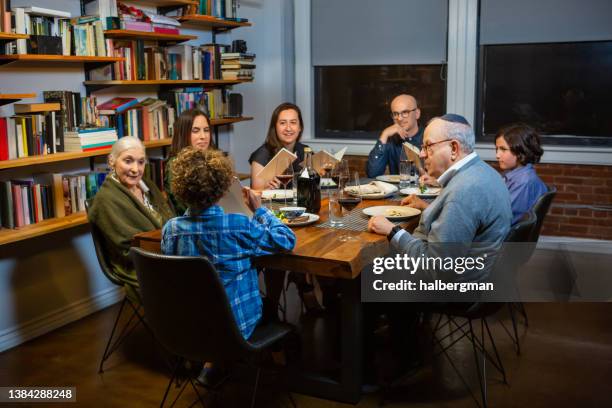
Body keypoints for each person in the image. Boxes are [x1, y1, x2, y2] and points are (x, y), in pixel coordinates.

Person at [161, 147, 296, 338]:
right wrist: (259, 210)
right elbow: (287, 240)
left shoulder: (171, 230)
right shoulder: (238, 226)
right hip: (236, 327)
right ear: (224, 188)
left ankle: (212, 360)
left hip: (189, 325)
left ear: (180, 189)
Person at [369, 114, 512, 280]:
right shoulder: (482, 171)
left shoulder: (463, 191)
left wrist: (393, 231)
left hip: (451, 293)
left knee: (365, 276)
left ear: (454, 148)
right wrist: (428, 207)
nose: (422, 154)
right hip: (476, 276)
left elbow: (437, 269)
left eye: (428, 146)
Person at [88, 136, 174, 297]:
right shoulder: (105, 200)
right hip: (142, 266)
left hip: (168, 253)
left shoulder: (147, 185)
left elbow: (171, 218)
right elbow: (129, 249)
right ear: (111, 161)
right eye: (128, 161)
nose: (136, 169)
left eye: (141, 162)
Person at [495, 123, 548, 225]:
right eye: (496, 149)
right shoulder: (515, 174)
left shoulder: (523, 182)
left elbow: (503, 217)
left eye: (503, 149)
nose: (497, 155)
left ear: (521, 151)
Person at [249, 102, 309, 190]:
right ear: (275, 127)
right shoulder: (261, 156)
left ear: (300, 127)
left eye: (293, 122)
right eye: (282, 123)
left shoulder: (305, 151)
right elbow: (255, 194)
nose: (288, 128)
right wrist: (268, 188)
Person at [164, 108, 213, 215]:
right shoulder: (175, 165)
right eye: (195, 131)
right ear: (183, 133)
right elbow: (186, 208)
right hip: (190, 224)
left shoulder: (213, 160)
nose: (203, 136)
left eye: (206, 130)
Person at [366, 94, 424, 178]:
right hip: (398, 190)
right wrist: (384, 134)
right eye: (395, 114)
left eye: (405, 112)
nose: (399, 118)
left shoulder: (428, 138)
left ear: (417, 114)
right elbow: (372, 173)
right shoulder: (391, 140)